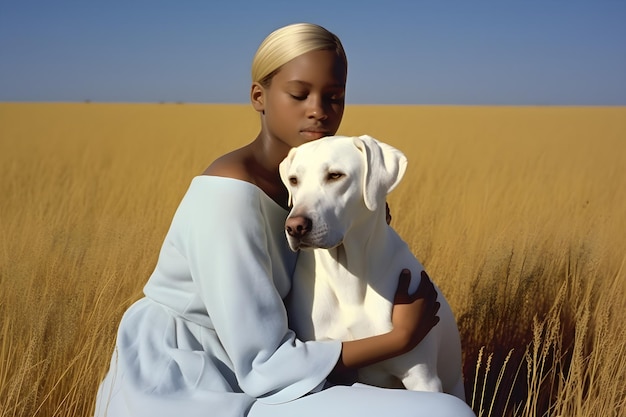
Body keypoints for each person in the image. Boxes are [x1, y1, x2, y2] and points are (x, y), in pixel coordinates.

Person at [94, 22, 475, 417]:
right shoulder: (227, 198)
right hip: (186, 380)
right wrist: (399, 339)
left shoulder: (306, 193)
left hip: (274, 373)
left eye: (334, 97)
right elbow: (264, 364)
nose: (319, 111)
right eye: (299, 94)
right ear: (259, 96)